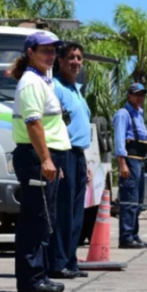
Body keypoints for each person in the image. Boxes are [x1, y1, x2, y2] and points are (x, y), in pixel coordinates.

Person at [10, 31, 71, 292]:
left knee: (45, 218)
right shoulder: (31, 83)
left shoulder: (43, 81)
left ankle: (40, 274)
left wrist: (55, 159)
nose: (51, 55)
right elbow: (33, 124)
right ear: (30, 53)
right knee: (36, 219)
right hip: (36, 157)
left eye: (53, 50)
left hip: (47, 156)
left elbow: (50, 124)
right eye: (45, 50)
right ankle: (31, 279)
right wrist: (46, 158)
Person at [48, 42, 91, 279]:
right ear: (60, 61)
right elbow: (55, 125)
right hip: (63, 153)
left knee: (76, 213)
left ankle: (71, 261)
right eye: (71, 58)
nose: (76, 62)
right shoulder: (56, 87)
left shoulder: (77, 90)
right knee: (63, 212)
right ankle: (58, 262)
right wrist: (56, 161)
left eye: (79, 58)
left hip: (78, 155)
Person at [113, 83, 147, 249]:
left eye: (142, 94)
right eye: (136, 94)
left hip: (140, 161)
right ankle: (126, 237)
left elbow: (136, 137)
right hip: (130, 160)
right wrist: (122, 164)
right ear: (129, 96)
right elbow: (120, 140)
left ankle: (134, 234)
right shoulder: (123, 114)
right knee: (129, 200)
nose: (140, 97)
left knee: (138, 201)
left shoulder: (139, 114)